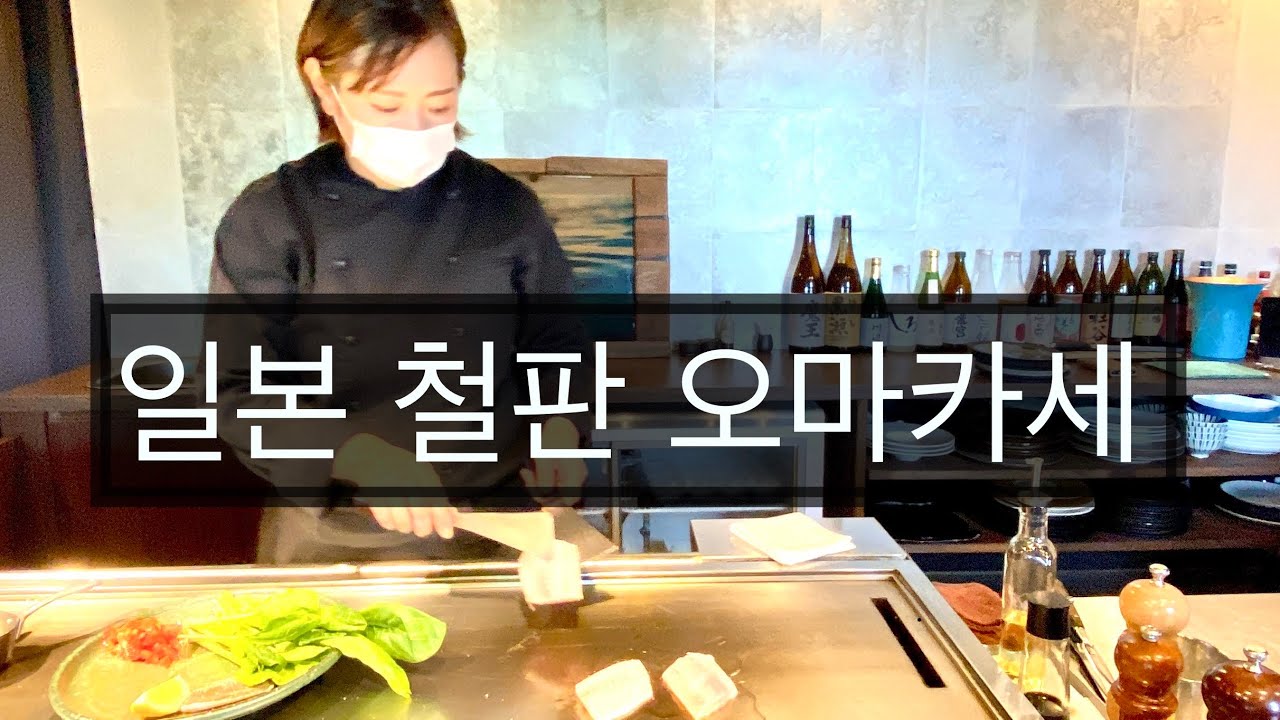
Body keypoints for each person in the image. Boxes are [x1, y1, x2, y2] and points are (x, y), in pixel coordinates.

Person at [204, 0, 591, 565]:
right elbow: (236, 392)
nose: (416, 128)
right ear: (323, 86)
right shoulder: (272, 217)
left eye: (440, 104)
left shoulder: (506, 207)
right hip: (335, 535)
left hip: (501, 525)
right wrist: (358, 455)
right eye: (386, 105)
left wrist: (560, 433)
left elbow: (559, 350)